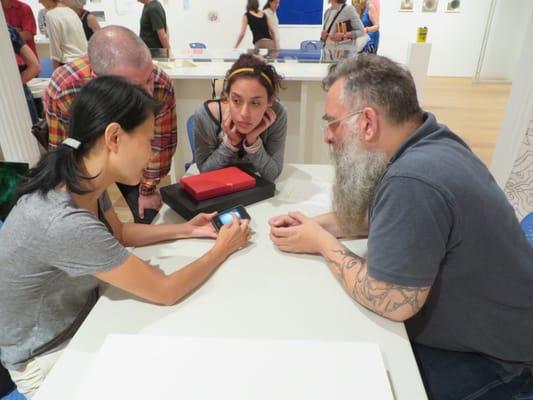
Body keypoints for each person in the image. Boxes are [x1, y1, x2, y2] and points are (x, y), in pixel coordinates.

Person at [269, 55, 533, 399]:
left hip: (498, 361)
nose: (328, 136)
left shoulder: (413, 180)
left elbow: (393, 301)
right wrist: (315, 225)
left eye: (333, 123)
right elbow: (390, 216)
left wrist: (320, 242)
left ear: (367, 123)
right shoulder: (429, 140)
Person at [0, 76, 251, 399]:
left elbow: (118, 234)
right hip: (46, 358)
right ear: (115, 137)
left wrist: (186, 229)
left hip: (80, 320)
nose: (151, 154)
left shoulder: (83, 176)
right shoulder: (63, 219)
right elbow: (165, 290)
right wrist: (222, 248)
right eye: (148, 140)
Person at [44, 25, 177, 224]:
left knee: (148, 215)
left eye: (149, 79)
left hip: (119, 165)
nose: (148, 93)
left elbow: (162, 145)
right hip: (86, 166)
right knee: (90, 225)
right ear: (100, 81)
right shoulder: (65, 89)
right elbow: (63, 151)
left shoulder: (160, 83)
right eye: (134, 87)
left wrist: (147, 188)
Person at [194, 54, 287, 182]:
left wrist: (252, 141)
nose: (244, 114)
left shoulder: (277, 115)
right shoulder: (206, 115)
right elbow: (205, 173)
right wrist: (230, 144)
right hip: (220, 190)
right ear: (227, 96)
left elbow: (272, 174)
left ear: (270, 101)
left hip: (256, 190)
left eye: (255, 103)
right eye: (236, 100)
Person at [39, 0, 88, 70]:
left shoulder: (51, 14)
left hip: (69, 64)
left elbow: (55, 49)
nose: (39, 2)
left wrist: (55, 73)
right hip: (84, 62)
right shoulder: (71, 11)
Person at [8, 24, 40, 124]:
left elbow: (35, 67)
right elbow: (35, 66)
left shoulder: (7, 30)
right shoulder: (8, 30)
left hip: (16, 95)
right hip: (17, 93)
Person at [2, 0, 38, 65]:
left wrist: (8, 33)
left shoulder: (24, 8)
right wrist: (16, 31)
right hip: (6, 61)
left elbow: (28, 35)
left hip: (26, 63)